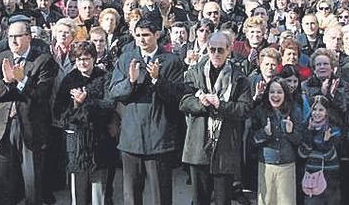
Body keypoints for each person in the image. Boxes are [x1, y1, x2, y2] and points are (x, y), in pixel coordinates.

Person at [109, 18, 185, 205]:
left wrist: (157, 81)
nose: (141, 40)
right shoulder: (126, 58)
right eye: (138, 35)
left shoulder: (171, 60)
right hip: (131, 138)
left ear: (156, 35)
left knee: (161, 194)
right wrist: (131, 82)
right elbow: (114, 92)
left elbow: (177, 96)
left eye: (146, 35)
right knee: (131, 195)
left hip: (159, 138)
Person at [0, 18, 59, 205]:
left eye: (18, 36)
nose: (13, 41)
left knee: (32, 184)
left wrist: (22, 81)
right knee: (2, 185)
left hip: (30, 129)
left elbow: (41, 96)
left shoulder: (43, 61)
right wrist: (7, 83)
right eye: (10, 36)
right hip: (2, 128)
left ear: (29, 37)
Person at [180, 31, 252, 205]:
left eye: (221, 50)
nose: (216, 54)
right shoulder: (196, 71)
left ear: (229, 50)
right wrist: (201, 103)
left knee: (223, 201)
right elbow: (183, 101)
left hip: (225, 148)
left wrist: (221, 105)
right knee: (199, 200)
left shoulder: (239, 76)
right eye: (212, 50)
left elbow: (245, 108)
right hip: (198, 145)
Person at [54, 41, 117, 205]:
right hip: (77, 143)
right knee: (79, 194)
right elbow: (59, 112)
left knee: (99, 194)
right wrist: (75, 105)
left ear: (94, 59)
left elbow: (110, 104)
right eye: (79, 59)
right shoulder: (69, 79)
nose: (82, 62)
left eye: (86, 58)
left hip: (100, 139)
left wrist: (86, 100)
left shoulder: (104, 77)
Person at [252, 76, 303, 205]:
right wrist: (264, 133)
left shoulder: (294, 110)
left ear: (285, 94)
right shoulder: (260, 111)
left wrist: (290, 133)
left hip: (287, 164)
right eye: (272, 92)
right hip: (266, 164)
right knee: (266, 201)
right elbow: (251, 139)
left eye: (279, 92)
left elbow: (300, 140)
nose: (276, 95)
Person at [299, 95, 342, 205]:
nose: (317, 113)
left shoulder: (334, 129)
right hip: (311, 176)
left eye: (321, 110)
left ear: (327, 112)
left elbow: (331, 156)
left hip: (330, 177)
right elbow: (302, 153)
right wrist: (309, 134)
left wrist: (326, 143)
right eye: (314, 109)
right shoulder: (306, 127)